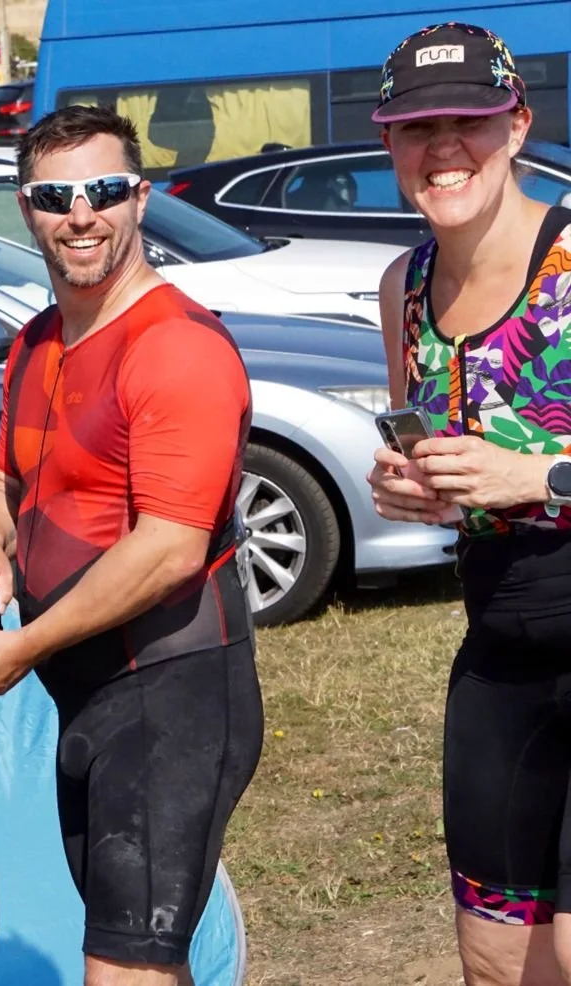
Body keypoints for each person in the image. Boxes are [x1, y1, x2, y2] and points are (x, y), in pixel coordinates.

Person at [0, 103, 263, 986]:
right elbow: (9, 477)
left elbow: (167, 551)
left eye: (104, 190)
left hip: (171, 693)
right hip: (87, 695)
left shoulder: (176, 350)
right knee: (138, 963)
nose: (81, 214)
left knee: (124, 972)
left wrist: (27, 646)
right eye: (56, 195)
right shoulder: (36, 342)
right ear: (25, 207)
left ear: (141, 200)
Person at [363, 22, 571, 986]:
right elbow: (443, 456)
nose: (443, 148)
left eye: (469, 122)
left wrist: (538, 478)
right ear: (389, 142)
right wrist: (415, 487)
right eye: (417, 127)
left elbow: (523, 473)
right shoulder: (404, 287)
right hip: (499, 660)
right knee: (494, 962)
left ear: (518, 125)